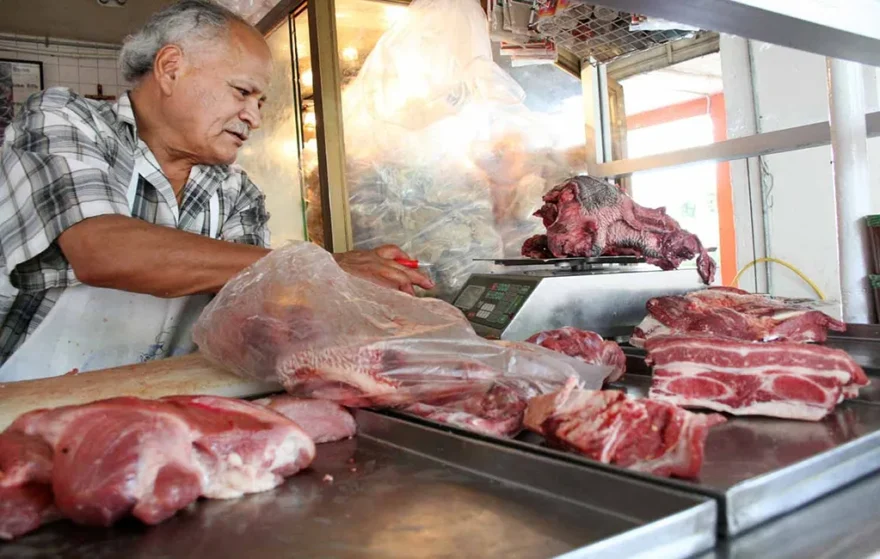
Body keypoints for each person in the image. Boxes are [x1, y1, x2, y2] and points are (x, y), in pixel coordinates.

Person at [0, 0, 433, 381]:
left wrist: (354, 298)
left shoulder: (236, 191)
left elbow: (250, 313)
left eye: (260, 102)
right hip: (27, 400)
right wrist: (320, 265)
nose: (254, 118)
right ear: (171, 68)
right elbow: (104, 250)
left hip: (160, 402)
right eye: (242, 92)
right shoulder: (65, 120)